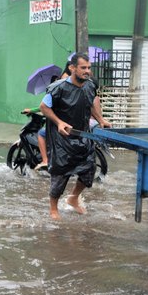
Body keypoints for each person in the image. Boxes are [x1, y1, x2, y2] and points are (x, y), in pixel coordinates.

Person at [39, 53, 111, 220]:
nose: (87, 71)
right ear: (72, 68)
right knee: (60, 174)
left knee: (89, 170)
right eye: (83, 68)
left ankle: (73, 199)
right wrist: (58, 122)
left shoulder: (89, 86)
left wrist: (101, 119)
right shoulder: (58, 87)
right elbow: (43, 107)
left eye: (89, 68)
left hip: (83, 135)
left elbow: (90, 102)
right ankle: (53, 209)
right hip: (62, 138)